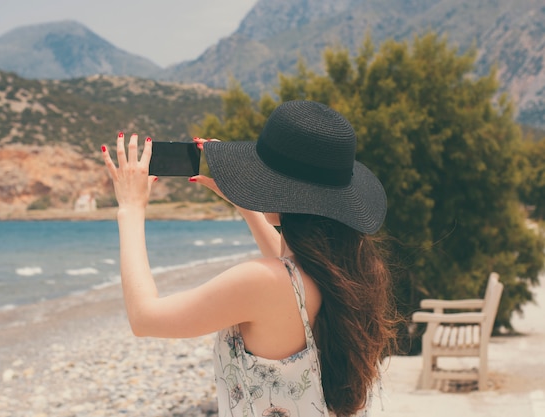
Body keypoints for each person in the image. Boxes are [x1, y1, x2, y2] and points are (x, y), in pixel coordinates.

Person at [101, 100, 395, 417]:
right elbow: (290, 272)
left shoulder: (263, 281)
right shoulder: (354, 271)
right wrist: (248, 204)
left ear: (279, 190)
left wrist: (130, 209)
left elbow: (145, 318)